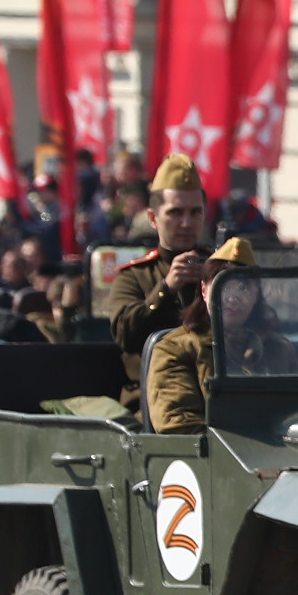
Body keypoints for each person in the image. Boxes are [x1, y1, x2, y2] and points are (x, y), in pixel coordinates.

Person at [102, 151, 211, 417]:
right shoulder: (135, 276)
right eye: (175, 212)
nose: (186, 223)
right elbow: (125, 334)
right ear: (153, 218)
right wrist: (165, 288)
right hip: (155, 400)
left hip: (216, 396)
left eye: (195, 212)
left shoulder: (220, 270)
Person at [146, 237, 293, 432]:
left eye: (244, 287)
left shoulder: (277, 349)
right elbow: (178, 424)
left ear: (256, 296)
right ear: (204, 290)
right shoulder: (175, 349)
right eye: (223, 286)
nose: (233, 297)